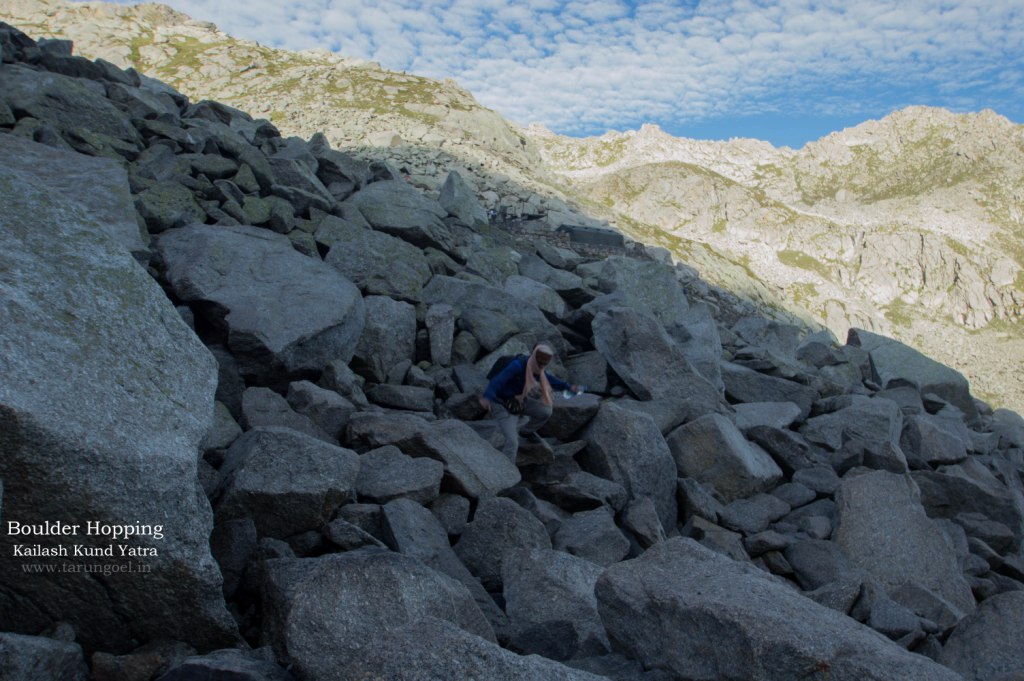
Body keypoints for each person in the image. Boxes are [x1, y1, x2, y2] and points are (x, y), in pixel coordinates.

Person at [479, 343, 579, 463]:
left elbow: (550, 380)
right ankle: (505, 473)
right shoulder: (518, 365)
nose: (541, 366)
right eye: (540, 362)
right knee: (512, 442)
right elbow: (497, 381)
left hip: (518, 401)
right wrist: (487, 397)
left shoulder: (538, 370)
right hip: (500, 403)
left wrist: (568, 387)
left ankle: (526, 431)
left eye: (544, 364)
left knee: (545, 411)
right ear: (534, 356)